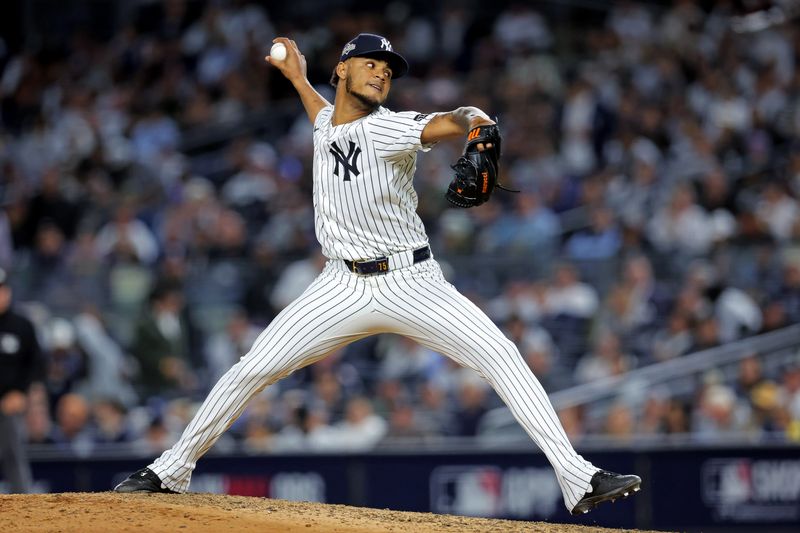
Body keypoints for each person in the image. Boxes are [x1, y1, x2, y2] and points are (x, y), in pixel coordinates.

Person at [114, 33, 641, 515]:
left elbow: (452, 119)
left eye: (388, 70)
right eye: (371, 64)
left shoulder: (391, 127)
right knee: (253, 368)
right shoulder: (326, 124)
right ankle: (170, 470)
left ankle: (579, 478)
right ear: (341, 70)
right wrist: (298, 79)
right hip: (340, 286)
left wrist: (477, 120)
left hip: (413, 282)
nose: (382, 74)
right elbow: (324, 118)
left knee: (501, 355)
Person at [0, 268, 43, 492]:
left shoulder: (21, 326)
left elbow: (35, 364)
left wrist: (21, 392)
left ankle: (23, 502)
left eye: (2, 290)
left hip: (10, 405)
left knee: (14, 454)